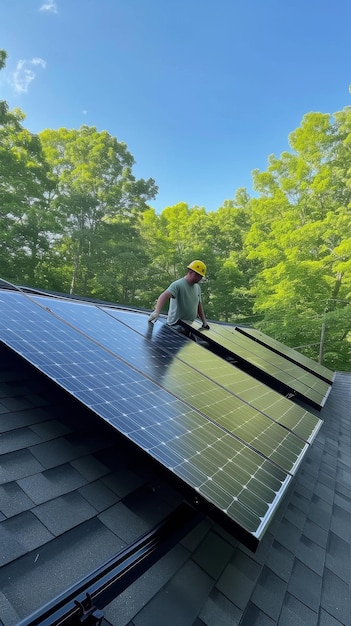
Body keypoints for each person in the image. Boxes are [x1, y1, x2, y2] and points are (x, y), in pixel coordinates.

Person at [148, 260, 210, 329]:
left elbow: (198, 305)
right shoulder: (178, 285)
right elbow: (164, 296)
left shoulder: (197, 288)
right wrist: (157, 312)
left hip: (188, 325)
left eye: (201, 276)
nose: (199, 278)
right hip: (175, 325)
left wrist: (204, 322)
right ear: (190, 272)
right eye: (197, 275)